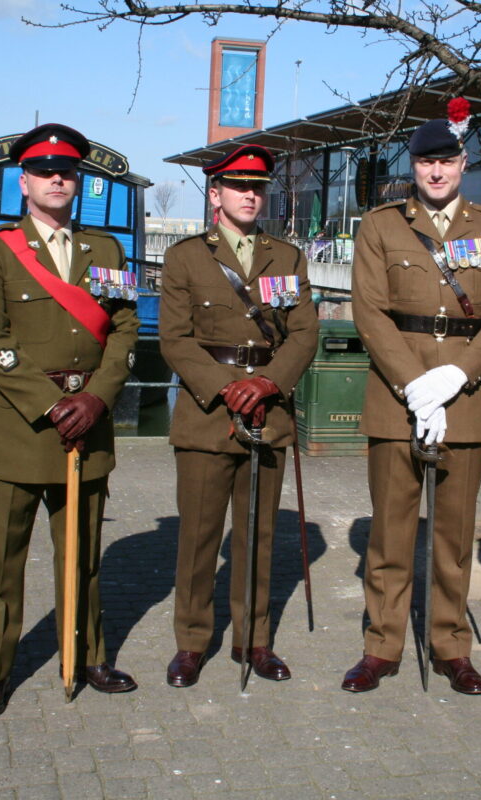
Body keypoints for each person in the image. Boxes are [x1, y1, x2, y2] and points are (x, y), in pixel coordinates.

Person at [0, 123, 140, 718]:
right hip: (18, 428)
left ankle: (88, 654)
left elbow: (124, 331)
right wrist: (49, 402)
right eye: (45, 171)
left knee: (84, 555)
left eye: (67, 172)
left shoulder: (109, 252)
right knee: (0, 562)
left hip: (88, 424)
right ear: (25, 182)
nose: (58, 179)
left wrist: (97, 399)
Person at [344, 107, 481, 695]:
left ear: (463, 163)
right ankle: (382, 646)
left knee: (452, 537)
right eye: (426, 161)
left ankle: (451, 646)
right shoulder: (382, 225)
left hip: (465, 397)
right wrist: (415, 385)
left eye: (446, 160)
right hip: (398, 398)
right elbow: (369, 311)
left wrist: (455, 378)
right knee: (391, 534)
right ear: (414, 166)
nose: (436, 171)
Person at [159, 144, 319, 688]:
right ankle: (191, 643)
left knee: (259, 535)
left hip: (268, 411)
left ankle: (254, 640)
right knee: (199, 539)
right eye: (238, 185)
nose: (250, 194)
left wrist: (268, 383)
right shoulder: (185, 258)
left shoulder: (287, 257)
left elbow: (303, 332)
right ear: (216, 194)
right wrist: (229, 389)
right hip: (208, 415)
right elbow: (175, 340)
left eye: (258, 186)